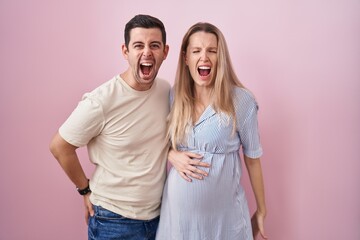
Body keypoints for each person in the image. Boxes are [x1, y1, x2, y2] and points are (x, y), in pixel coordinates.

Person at [49, 14, 171, 240]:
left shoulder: (166, 91)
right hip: (113, 222)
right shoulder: (101, 101)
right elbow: (59, 146)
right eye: (138, 45)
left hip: (160, 219)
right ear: (125, 51)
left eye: (155, 45)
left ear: (165, 52)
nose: (147, 52)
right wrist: (84, 190)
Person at [156, 22, 268, 239]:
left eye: (212, 51)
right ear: (186, 58)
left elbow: (253, 158)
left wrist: (262, 210)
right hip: (178, 223)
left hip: (225, 223)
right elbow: (157, 142)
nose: (204, 57)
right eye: (196, 51)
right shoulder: (173, 96)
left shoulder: (241, 101)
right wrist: (171, 154)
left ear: (220, 58)